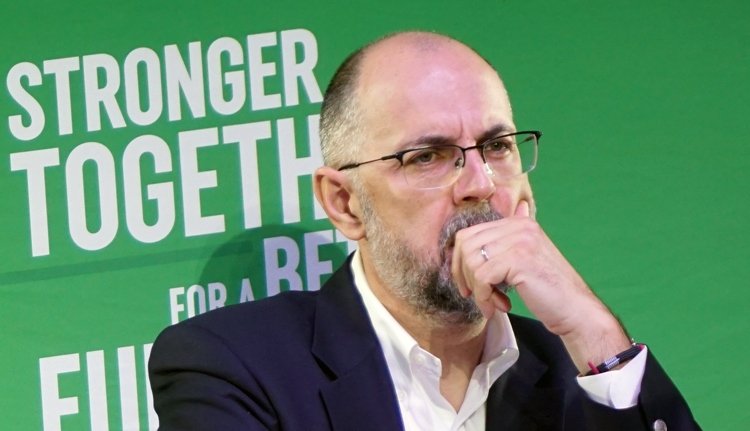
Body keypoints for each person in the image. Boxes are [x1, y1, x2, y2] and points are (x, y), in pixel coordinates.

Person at [149, 31, 700, 430]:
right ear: (344, 203)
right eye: (428, 157)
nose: (480, 184)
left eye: (497, 147)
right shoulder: (233, 366)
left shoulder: (589, 380)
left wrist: (595, 333)